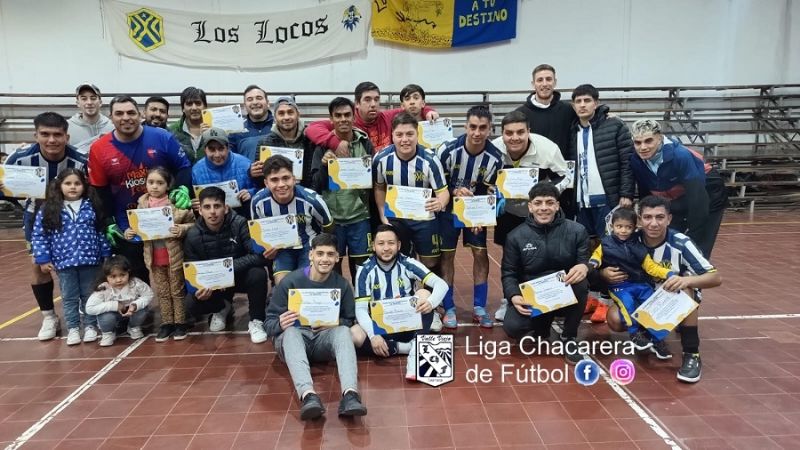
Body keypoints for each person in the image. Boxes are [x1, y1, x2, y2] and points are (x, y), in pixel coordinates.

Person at [600, 196, 721, 383]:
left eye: (660, 217)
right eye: (647, 217)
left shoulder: (681, 243)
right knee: (615, 320)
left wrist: (685, 280)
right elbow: (599, 261)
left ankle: (691, 354)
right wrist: (603, 273)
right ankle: (651, 332)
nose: (653, 223)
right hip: (642, 299)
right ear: (639, 220)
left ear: (669, 219)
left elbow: (715, 277)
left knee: (686, 287)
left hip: (671, 298)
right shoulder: (627, 239)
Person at [89, 95, 192, 283]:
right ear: (110, 117)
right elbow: (99, 190)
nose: (126, 117)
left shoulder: (162, 138)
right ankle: (140, 311)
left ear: (140, 114)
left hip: (166, 217)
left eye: (131, 112)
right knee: (135, 275)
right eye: (119, 113)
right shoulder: (99, 149)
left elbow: (183, 167)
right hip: (127, 224)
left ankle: (183, 310)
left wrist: (183, 189)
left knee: (176, 271)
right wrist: (108, 222)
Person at [3, 112, 88, 341]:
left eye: (57, 135)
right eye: (45, 134)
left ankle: (83, 310)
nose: (52, 140)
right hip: (36, 216)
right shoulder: (18, 160)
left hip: (72, 217)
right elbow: (7, 192)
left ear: (66, 136)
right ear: (35, 135)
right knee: (38, 265)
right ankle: (49, 315)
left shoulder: (80, 162)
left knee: (81, 262)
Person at [264, 233, 367, 420]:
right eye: (320, 253)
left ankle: (350, 395)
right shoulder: (290, 282)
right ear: (311, 255)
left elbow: (348, 320)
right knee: (292, 332)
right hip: (293, 341)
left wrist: (334, 323)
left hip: (322, 340)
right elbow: (268, 325)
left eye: (330, 254)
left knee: (344, 331)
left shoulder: (342, 285)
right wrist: (280, 323)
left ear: (337, 258)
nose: (325, 259)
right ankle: (308, 396)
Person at [491, 111, 570, 321]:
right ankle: (509, 299)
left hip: (538, 211)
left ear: (529, 132)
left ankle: (550, 296)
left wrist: (546, 195)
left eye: (520, 132)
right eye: (509, 133)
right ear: (502, 134)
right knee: (510, 256)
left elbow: (565, 176)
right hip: (508, 210)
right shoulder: (494, 149)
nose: (514, 137)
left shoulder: (547, 149)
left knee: (546, 252)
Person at [501, 182, 589, 364]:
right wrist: (513, 296)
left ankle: (569, 337)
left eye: (549, 203)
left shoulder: (577, 231)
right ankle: (542, 325)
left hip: (565, 293)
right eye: (538, 203)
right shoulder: (515, 236)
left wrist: (584, 265)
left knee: (581, 282)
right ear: (530, 206)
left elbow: (584, 260)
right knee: (513, 327)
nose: (544, 208)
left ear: (557, 205)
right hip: (534, 296)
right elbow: (509, 273)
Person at [569, 84, 635, 323]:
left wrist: (626, 193)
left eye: (587, 100)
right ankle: (594, 296)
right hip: (582, 201)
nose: (583, 105)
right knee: (588, 251)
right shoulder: (573, 130)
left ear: (596, 103)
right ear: (573, 105)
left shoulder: (614, 126)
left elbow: (628, 162)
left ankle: (608, 301)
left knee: (611, 250)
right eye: (578, 101)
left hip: (608, 199)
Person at [352, 224, 449, 380]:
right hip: (381, 329)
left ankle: (414, 356)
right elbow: (361, 309)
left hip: (408, 325)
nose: (386, 248)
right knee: (354, 335)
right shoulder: (365, 270)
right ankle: (410, 347)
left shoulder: (407, 263)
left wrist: (431, 302)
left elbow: (441, 284)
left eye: (391, 243)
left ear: (398, 245)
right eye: (381, 243)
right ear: (373, 246)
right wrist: (373, 336)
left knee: (424, 294)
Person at [437, 106, 503, 329]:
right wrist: (455, 192)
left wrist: (481, 216)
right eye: (472, 127)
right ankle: (449, 307)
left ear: (490, 129)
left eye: (483, 128)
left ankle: (479, 307)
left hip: (476, 211)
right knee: (446, 256)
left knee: (480, 253)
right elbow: (437, 184)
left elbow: (491, 192)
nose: (477, 132)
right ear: (465, 127)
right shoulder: (446, 151)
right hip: (447, 209)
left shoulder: (495, 158)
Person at [31, 168, 110, 345]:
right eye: (68, 183)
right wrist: (43, 259)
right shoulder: (49, 209)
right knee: (69, 296)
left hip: (91, 260)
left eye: (77, 183)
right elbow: (39, 235)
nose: (72, 187)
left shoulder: (91, 206)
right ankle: (73, 328)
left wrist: (105, 254)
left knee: (90, 294)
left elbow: (100, 231)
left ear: (84, 186)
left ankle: (90, 326)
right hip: (64, 262)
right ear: (59, 186)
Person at [629, 119, 726, 258]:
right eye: (637, 143)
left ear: (659, 138)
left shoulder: (681, 155)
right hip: (677, 195)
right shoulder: (635, 160)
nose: (643, 147)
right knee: (666, 240)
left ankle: (697, 273)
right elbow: (647, 196)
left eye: (648, 141)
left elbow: (698, 200)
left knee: (696, 247)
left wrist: (693, 237)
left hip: (708, 193)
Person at [183, 187, 269, 343]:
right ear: (200, 210)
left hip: (240, 275)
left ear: (226, 207)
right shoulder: (192, 235)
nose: (213, 212)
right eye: (207, 207)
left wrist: (228, 269)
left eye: (217, 206)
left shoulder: (240, 223)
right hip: (214, 284)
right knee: (191, 303)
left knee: (258, 273)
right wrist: (199, 289)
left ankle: (256, 320)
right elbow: (191, 268)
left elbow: (259, 256)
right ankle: (222, 307)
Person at [588, 207, 674, 351]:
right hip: (619, 286)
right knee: (627, 305)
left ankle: (657, 338)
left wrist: (668, 273)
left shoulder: (638, 245)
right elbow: (595, 258)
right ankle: (635, 333)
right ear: (612, 226)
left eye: (628, 227)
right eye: (619, 226)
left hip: (641, 284)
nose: (623, 231)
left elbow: (650, 266)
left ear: (635, 228)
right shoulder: (605, 244)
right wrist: (592, 266)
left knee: (652, 306)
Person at [124, 168, 194, 342]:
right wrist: (129, 232)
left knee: (176, 291)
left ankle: (180, 322)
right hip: (153, 256)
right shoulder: (141, 204)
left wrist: (182, 229)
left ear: (168, 185)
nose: (154, 187)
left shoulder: (176, 202)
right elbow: (135, 228)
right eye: (151, 182)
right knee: (162, 291)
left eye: (160, 183)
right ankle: (166, 322)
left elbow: (193, 223)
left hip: (174, 255)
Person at [372, 113, 449, 271]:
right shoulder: (381, 159)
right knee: (400, 261)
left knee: (431, 263)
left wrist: (441, 202)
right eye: (399, 135)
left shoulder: (430, 160)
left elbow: (443, 191)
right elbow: (379, 188)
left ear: (417, 134)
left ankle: (429, 295)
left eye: (409, 134)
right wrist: (382, 214)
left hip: (425, 219)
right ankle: (407, 293)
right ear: (391, 135)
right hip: (396, 218)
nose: (405, 139)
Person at [310, 97, 373, 283]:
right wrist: (324, 166)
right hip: (332, 221)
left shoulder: (365, 144)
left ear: (354, 117)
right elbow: (315, 185)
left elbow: (375, 180)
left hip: (360, 218)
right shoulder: (322, 147)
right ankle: (337, 309)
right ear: (331, 119)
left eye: (347, 115)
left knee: (362, 268)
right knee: (331, 267)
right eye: (338, 115)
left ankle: (362, 307)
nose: (343, 119)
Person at [251, 155, 333, 286]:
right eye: (274, 180)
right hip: (282, 249)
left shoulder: (313, 200)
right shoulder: (258, 202)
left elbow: (328, 228)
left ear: (294, 179)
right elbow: (258, 234)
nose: (281, 184)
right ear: (266, 183)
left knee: (306, 284)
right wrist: (266, 250)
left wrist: (320, 252)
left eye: (286, 178)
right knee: (283, 285)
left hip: (309, 246)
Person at [306, 81, 438, 153]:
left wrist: (427, 111)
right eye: (368, 100)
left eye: (376, 99)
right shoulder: (347, 120)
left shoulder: (387, 116)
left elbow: (410, 108)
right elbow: (311, 128)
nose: (373, 104)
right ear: (357, 104)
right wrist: (335, 142)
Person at [85, 256, 152, 347]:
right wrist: (115, 305)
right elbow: (89, 308)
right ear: (106, 276)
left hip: (131, 312)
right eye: (113, 276)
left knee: (142, 310)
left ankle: (133, 327)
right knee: (106, 316)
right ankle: (108, 333)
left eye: (122, 275)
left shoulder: (135, 283)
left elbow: (148, 295)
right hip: (113, 314)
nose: (119, 280)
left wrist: (135, 305)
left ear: (128, 272)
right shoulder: (103, 288)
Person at [514, 65, 577, 160]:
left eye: (548, 79)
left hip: (561, 170)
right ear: (533, 84)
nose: (544, 84)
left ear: (555, 82)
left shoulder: (567, 110)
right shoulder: (520, 114)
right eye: (540, 80)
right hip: (533, 171)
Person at [191, 127, 257, 218]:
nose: (217, 155)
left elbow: (261, 189)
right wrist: (196, 204)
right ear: (205, 150)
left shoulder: (245, 164)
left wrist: (251, 193)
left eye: (221, 149)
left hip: (242, 217)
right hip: (213, 221)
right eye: (212, 149)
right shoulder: (197, 170)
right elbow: (196, 199)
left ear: (228, 148)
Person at [252, 97, 316, 187]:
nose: (286, 117)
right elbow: (261, 179)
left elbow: (314, 175)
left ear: (298, 114)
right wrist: (252, 173)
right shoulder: (265, 143)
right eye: (281, 113)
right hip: (276, 194)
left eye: (290, 112)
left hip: (305, 193)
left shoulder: (311, 139)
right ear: (275, 118)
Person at [229, 85, 275, 160]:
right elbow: (231, 163)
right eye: (250, 99)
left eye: (259, 98)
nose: (255, 102)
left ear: (268, 103)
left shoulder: (280, 127)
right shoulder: (236, 131)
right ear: (244, 106)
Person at [67, 83, 115, 154]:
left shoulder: (112, 127)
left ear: (100, 102)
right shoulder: (67, 127)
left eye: (93, 98)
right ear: (78, 103)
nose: (89, 102)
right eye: (84, 99)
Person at [169, 86, 208, 163]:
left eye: (198, 103)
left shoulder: (216, 128)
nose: (194, 108)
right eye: (189, 104)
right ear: (183, 108)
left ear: (205, 106)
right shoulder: (172, 131)